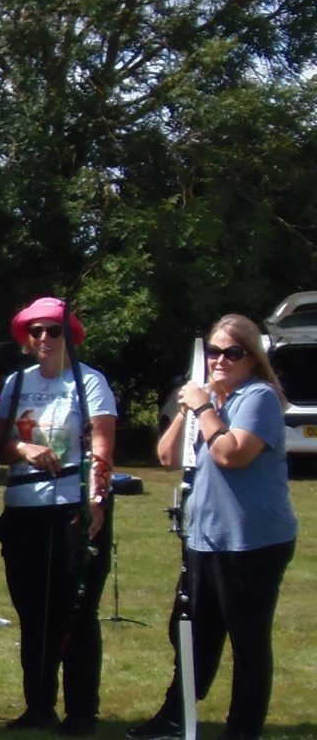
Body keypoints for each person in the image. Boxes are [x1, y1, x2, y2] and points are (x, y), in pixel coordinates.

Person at [130, 315, 296, 740]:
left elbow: (232, 454)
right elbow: (166, 456)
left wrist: (203, 406)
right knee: (194, 634)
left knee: (247, 639)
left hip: (251, 542)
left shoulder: (257, 398)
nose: (221, 360)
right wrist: (189, 409)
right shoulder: (212, 402)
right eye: (215, 352)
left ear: (251, 359)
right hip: (205, 538)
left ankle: (243, 730)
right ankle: (175, 717)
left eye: (232, 353)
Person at [0, 296, 114, 735]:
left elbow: (101, 445)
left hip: (73, 508)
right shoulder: (16, 384)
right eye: (35, 331)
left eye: (53, 330)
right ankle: (38, 705)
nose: (43, 338)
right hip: (24, 509)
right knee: (32, 611)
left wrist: (96, 499)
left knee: (76, 611)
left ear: (70, 336)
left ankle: (82, 710)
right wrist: (24, 448)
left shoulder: (90, 382)